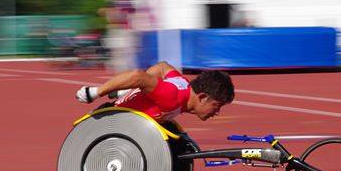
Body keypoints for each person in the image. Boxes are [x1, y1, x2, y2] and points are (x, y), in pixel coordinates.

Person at [75, 61, 234, 122]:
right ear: (203, 97)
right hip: (109, 124)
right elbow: (138, 76)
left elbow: (162, 67)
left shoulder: (183, 84)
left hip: (126, 122)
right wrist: (96, 92)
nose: (217, 112)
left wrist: (132, 91)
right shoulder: (172, 97)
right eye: (217, 105)